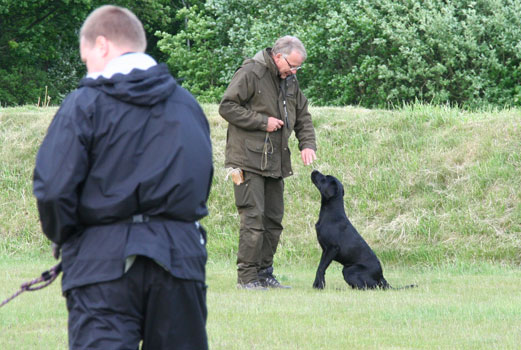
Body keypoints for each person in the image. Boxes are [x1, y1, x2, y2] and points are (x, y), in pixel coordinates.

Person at [33, 5, 212, 349]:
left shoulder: (84, 104)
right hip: (178, 257)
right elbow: (200, 182)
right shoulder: (188, 106)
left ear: (101, 46)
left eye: (86, 59)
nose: (89, 68)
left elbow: (53, 188)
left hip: (101, 262)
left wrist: (69, 238)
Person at [219, 36, 317, 290]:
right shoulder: (251, 72)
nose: (294, 72)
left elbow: (302, 114)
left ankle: (264, 273)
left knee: (273, 220)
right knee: (253, 218)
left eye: (298, 68)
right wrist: (263, 122)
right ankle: (247, 278)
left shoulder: (290, 81)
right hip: (245, 160)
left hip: (276, 160)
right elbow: (227, 106)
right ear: (278, 56)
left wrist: (307, 144)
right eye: (292, 66)